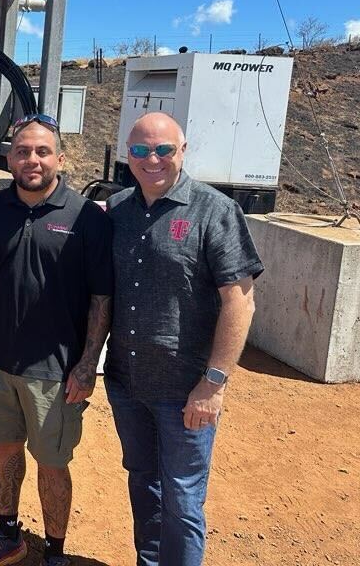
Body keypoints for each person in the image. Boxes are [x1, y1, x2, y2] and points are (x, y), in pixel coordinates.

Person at [105, 112, 263, 566]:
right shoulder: (117, 211)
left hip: (186, 392)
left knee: (182, 498)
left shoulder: (215, 211)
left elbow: (240, 302)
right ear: (127, 156)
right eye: (139, 151)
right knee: (142, 479)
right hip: (127, 382)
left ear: (183, 149)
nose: (151, 159)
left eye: (163, 150)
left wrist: (212, 385)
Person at [0, 114, 113, 566]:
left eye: (43, 151)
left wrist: (87, 363)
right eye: (23, 151)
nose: (32, 160)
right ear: (9, 158)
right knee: (4, 449)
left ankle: (56, 552)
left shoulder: (86, 217)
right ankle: (8, 533)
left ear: (60, 158)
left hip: (56, 372)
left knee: (52, 462)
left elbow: (102, 298)